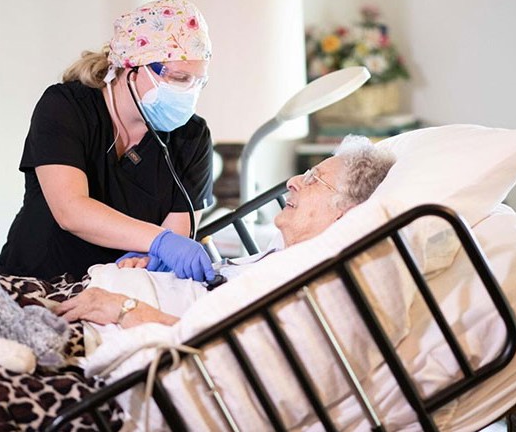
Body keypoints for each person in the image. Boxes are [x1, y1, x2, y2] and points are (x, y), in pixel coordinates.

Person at [54, 135, 396, 329]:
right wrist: (157, 269)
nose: (292, 182)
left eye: (312, 180)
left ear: (344, 214)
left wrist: (125, 307)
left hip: (96, 328)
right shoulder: (277, 258)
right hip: (85, 295)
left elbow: (220, 347)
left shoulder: (313, 286)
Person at [0, 0, 217, 282]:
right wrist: (158, 241)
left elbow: (178, 231)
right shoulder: (65, 107)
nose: (189, 92)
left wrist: (151, 255)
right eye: (179, 78)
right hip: (37, 282)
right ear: (133, 68)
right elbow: (70, 210)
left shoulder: (192, 137)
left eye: (199, 82)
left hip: (120, 292)